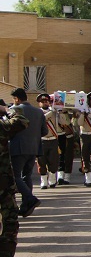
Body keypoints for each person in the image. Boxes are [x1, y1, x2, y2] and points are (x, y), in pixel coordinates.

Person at [0, 99, 29, 257]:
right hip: (2, 190)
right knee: (8, 228)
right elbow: (21, 121)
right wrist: (6, 109)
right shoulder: (2, 126)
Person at [9, 88, 46, 218]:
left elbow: (8, 128)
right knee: (27, 176)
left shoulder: (14, 110)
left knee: (15, 176)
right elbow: (44, 131)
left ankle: (30, 198)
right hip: (34, 148)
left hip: (18, 148)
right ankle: (26, 205)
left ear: (16, 99)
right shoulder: (38, 112)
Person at [37, 94, 60, 189]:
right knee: (41, 161)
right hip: (42, 140)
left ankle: (52, 180)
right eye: (42, 102)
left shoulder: (54, 112)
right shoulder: (38, 112)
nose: (45, 103)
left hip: (53, 139)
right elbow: (42, 119)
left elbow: (63, 123)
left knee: (53, 161)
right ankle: (43, 181)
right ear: (39, 103)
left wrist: (62, 112)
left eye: (46, 101)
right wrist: (52, 112)